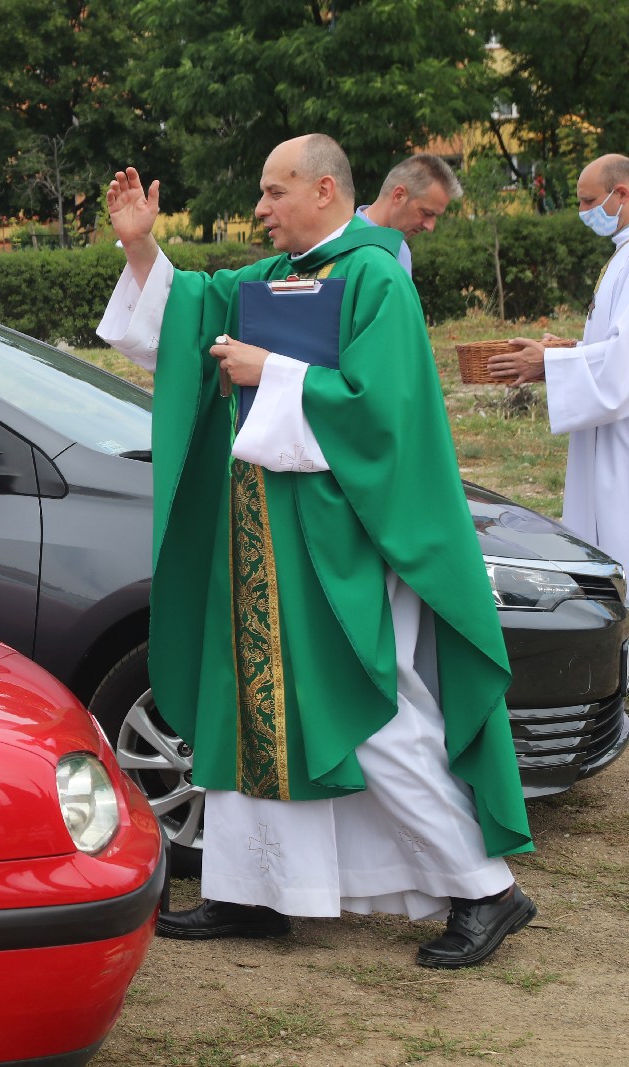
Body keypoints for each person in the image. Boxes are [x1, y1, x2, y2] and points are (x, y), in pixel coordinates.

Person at [98, 134, 535, 969]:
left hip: (341, 540)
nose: (259, 208)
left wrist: (275, 371)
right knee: (250, 707)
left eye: (273, 191)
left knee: (369, 713)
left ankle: (487, 889)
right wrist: (140, 243)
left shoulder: (376, 279)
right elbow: (181, 316)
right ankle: (257, 892)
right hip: (260, 533)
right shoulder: (262, 281)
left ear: (325, 189)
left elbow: (384, 414)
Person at [490, 153, 629, 567]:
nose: (582, 212)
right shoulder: (622, 253)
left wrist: (549, 364)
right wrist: (569, 351)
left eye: (589, 202)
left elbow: (624, 363)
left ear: (621, 193)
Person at [354, 153, 461, 276]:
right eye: (426, 213)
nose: (430, 227)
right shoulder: (342, 242)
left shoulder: (402, 251)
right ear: (398, 195)